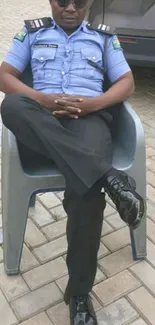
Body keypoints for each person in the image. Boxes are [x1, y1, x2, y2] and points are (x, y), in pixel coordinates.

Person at [0, 1, 145, 324]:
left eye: (78, 2)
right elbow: (5, 76)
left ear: (88, 5)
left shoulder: (103, 38)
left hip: (88, 121)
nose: (70, 8)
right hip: (42, 121)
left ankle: (79, 295)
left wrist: (94, 103)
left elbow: (126, 83)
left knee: (87, 195)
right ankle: (109, 177)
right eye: (62, 1)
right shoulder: (32, 32)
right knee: (12, 106)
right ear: (52, 2)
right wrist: (44, 100)